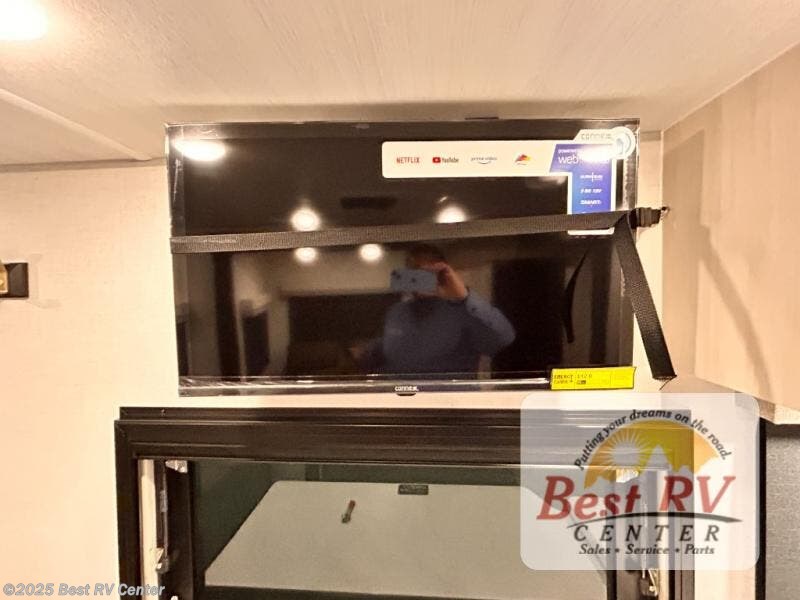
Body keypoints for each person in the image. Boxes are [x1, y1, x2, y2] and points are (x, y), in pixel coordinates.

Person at [353, 244, 515, 377]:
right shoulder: (397, 312)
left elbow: (502, 339)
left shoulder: (464, 310)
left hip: (452, 404)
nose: (421, 277)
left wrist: (464, 296)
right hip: (402, 402)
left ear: (443, 274)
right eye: (414, 270)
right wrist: (360, 355)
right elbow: (386, 351)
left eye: (429, 272)